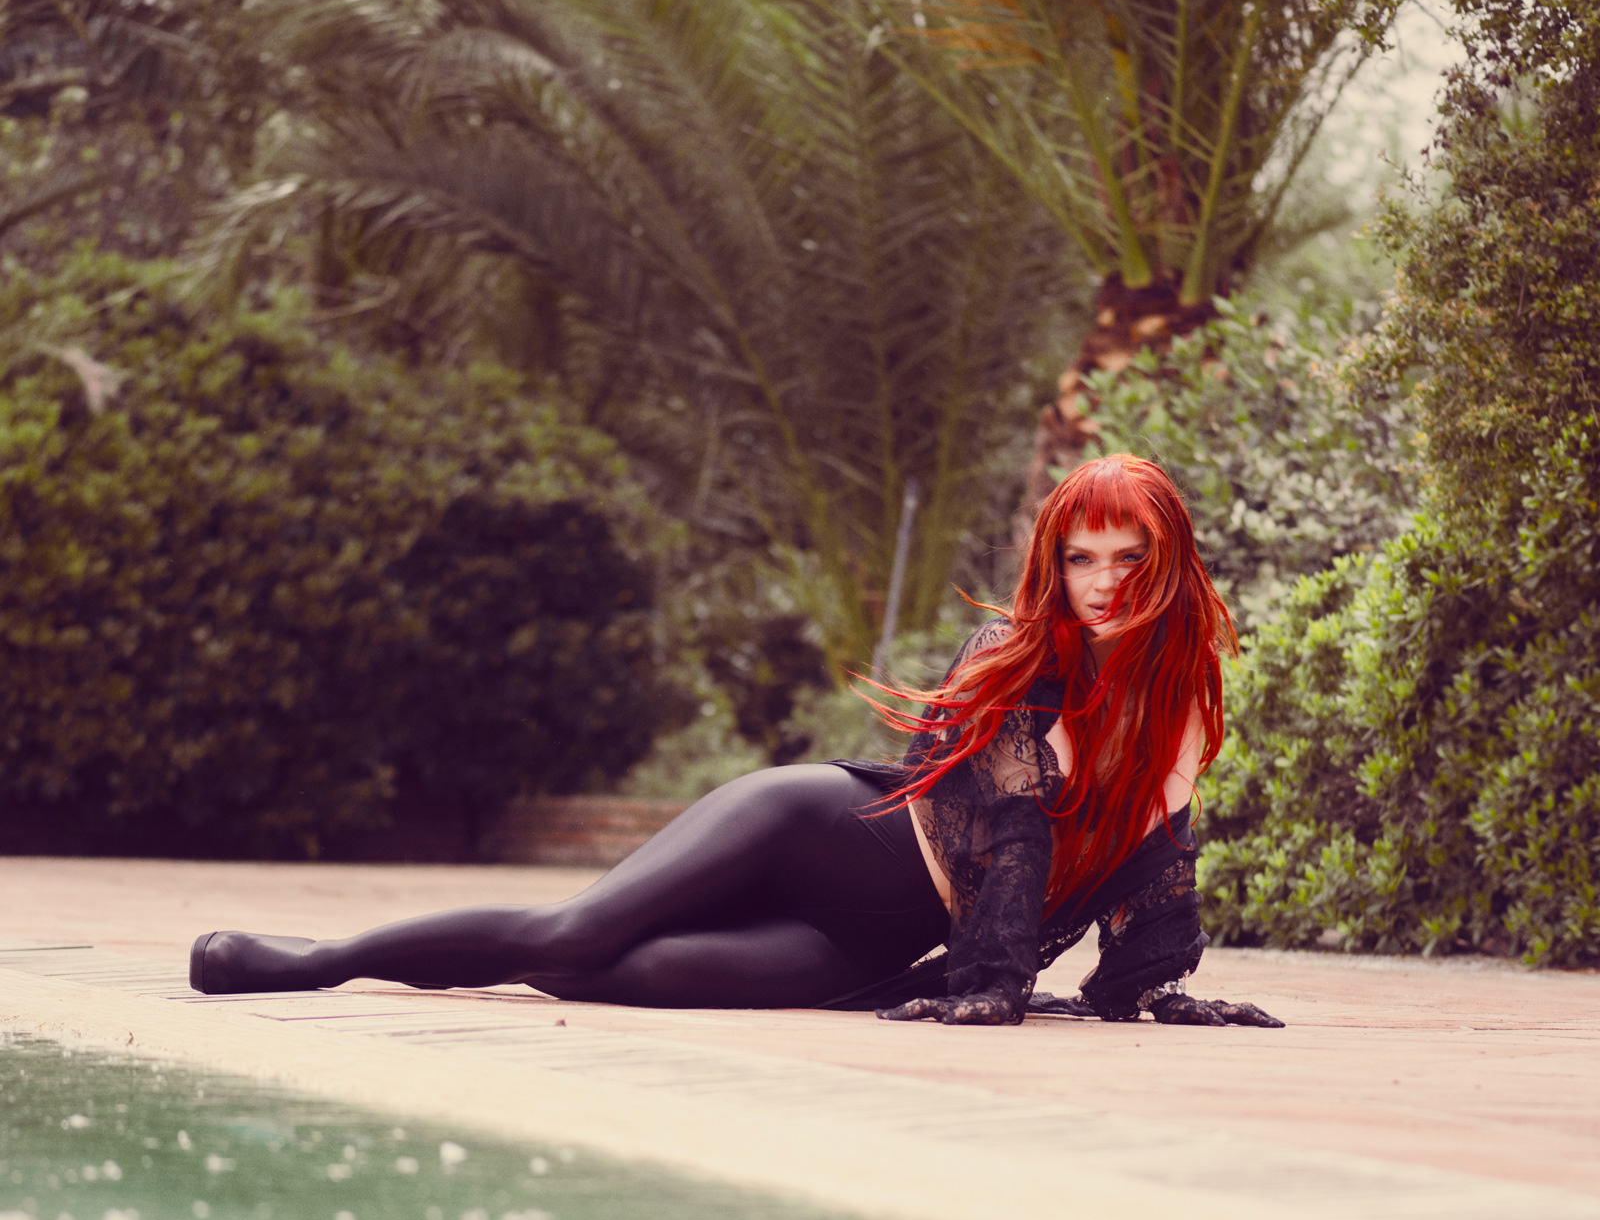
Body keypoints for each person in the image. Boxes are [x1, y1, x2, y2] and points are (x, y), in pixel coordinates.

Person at [190, 455, 1282, 1028]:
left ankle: (432, 968)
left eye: (1126, 558)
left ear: (1167, 560)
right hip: (819, 835)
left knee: (607, 979)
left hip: (865, 942)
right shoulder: (1012, 653)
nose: (1101, 584)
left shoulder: (1182, 700)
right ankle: (314, 963)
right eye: (1081, 558)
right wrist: (991, 984)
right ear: (1054, 561)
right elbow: (1012, 834)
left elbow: (1154, 863)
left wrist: (1144, 981)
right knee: (571, 932)